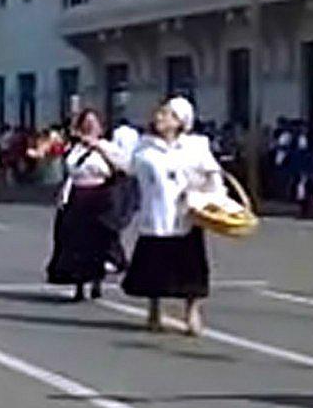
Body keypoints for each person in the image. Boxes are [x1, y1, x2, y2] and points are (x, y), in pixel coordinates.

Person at [122, 97, 222, 337]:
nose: (159, 117)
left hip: (186, 215)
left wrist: (209, 197)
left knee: (191, 267)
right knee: (153, 267)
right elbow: (128, 170)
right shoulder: (144, 147)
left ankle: (192, 312)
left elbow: (213, 176)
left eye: (167, 114)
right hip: (155, 216)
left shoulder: (196, 146)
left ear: (180, 122)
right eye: (159, 113)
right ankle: (154, 310)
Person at [47, 109, 131, 302]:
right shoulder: (75, 149)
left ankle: (96, 281)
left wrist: (99, 148)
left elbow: (123, 167)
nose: (89, 126)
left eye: (93, 123)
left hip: (99, 196)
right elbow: (70, 170)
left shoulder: (108, 147)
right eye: (86, 123)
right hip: (77, 195)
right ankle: (78, 284)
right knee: (75, 241)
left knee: (98, 241)